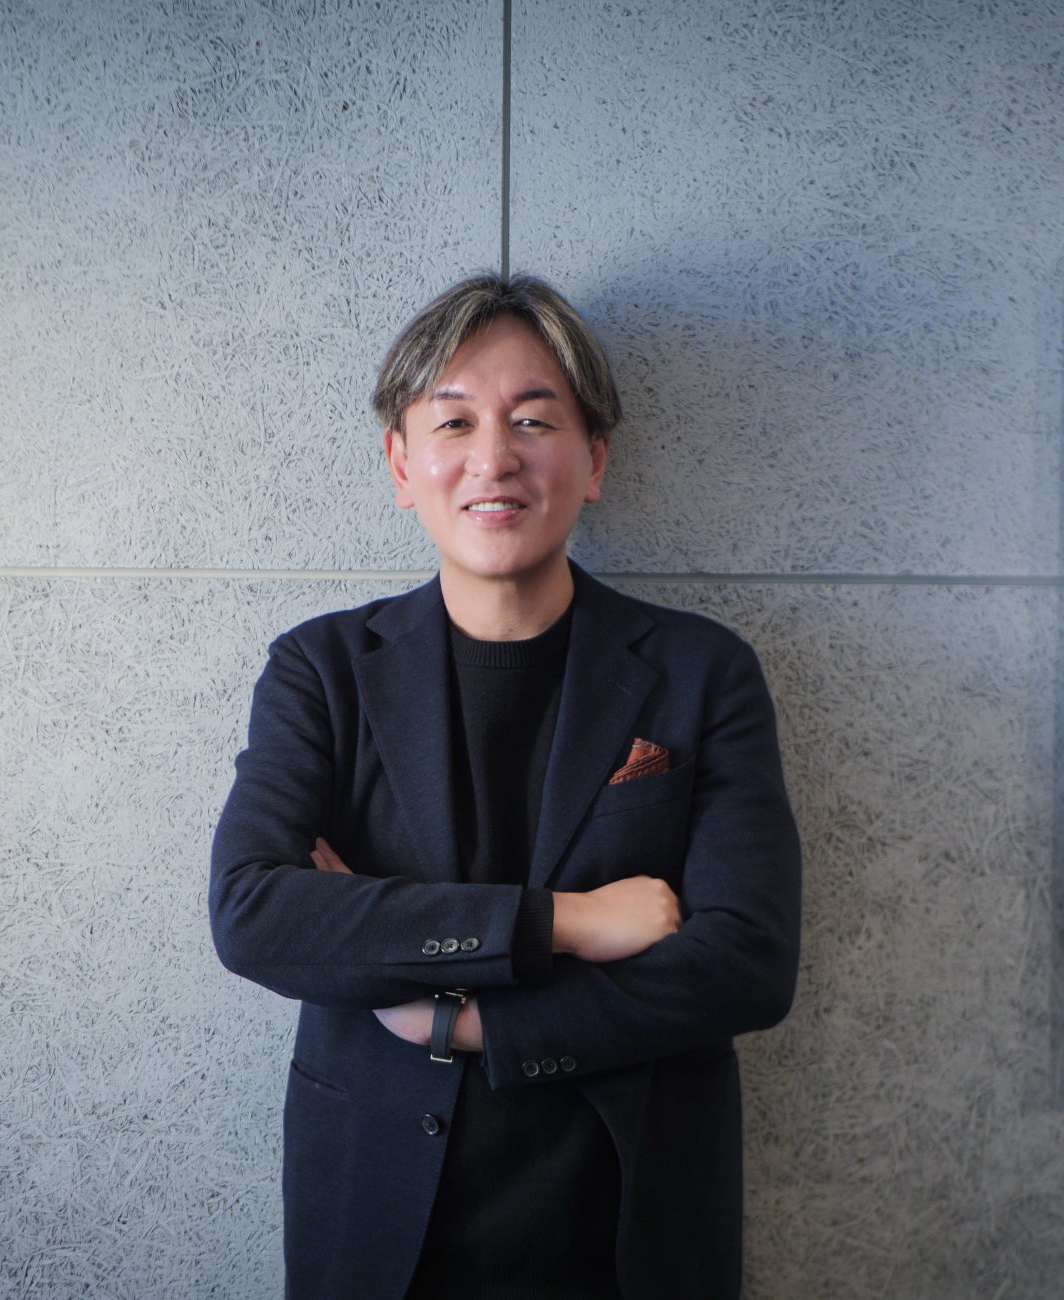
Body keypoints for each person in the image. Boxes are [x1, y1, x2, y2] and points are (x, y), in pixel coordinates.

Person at [209, 273, 801, 1299]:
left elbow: (746, 963)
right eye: (454, 422)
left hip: (630, 1225)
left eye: (533, 418)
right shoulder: (322, 670)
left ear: (594, 459)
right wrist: (565, 921)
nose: (494, 458)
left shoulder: (702, 672)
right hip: (379, 1220)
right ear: (402, 464)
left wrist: (457, 1019)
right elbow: (257, 914)